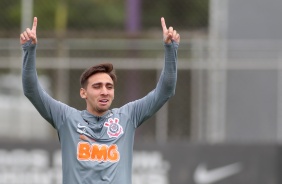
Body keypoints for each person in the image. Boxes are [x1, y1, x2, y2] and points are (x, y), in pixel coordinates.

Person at [20, 16, 180, 184]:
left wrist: (170, 49)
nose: (104, 91)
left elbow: (165, 90)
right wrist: (29, 51)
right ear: (83, 93)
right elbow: (32, 90)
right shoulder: (66, 118)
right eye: (97, 86)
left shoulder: (128, 116)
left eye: (109, 87)